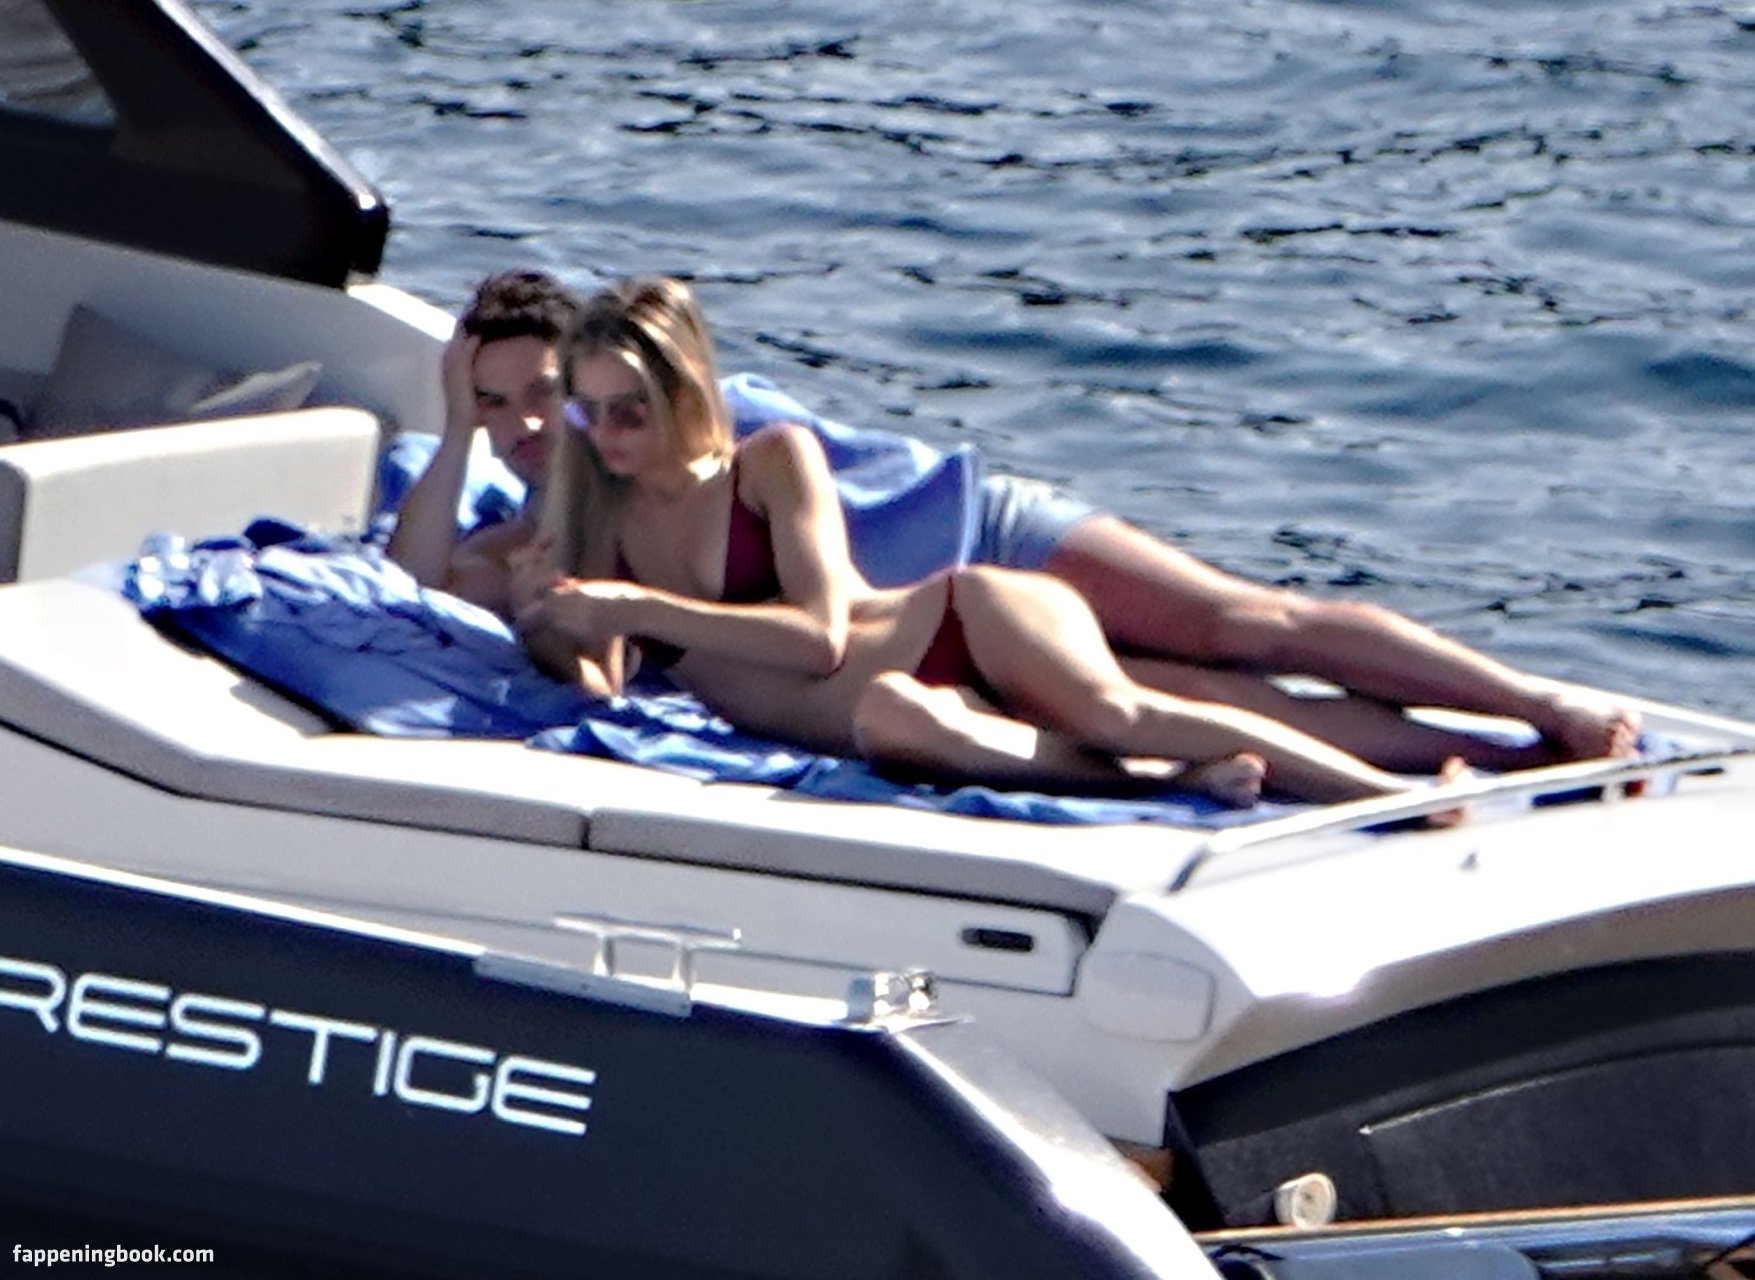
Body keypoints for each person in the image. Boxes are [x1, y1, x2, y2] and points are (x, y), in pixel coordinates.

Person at [390, 269, 1638, 770]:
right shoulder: (570, 505)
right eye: (499, 407)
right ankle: (1480, 761)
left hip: (976, 536)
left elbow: (789, 559)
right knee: (1181, 694)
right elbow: (422, 574)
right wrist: (454, 431)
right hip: (915, 637)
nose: (534, 423)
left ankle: (1541, 701)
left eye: (544, 393)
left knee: (1236, 622)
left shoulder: (713, 420)